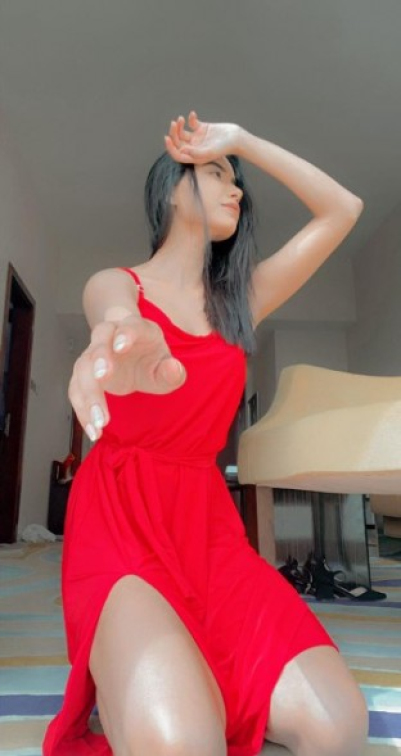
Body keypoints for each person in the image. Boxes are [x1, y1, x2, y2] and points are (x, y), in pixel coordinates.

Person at [43, 111, 368, 756]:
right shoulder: (118, 282)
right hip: (121, 517)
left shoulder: (239, 302)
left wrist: (240, 141)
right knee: (185, 742)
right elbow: (112, 314)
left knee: (338, 728)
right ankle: (144, 670)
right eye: (216, 173)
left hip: (208, 527)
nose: (236, 188)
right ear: (170, 189)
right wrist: (117, 339)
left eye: (235, 178)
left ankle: (189, 674)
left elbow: (343, 209)